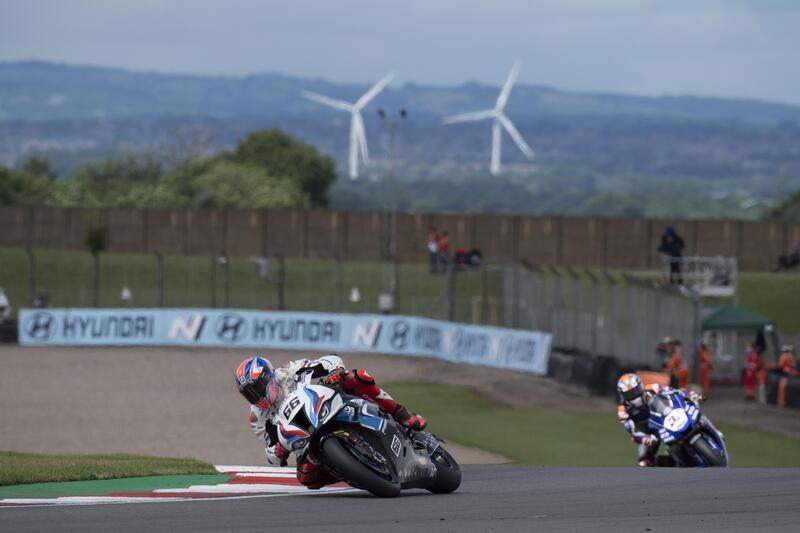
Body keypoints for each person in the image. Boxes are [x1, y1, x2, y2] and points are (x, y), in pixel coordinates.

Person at [235, 354, 427, 490]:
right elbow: (270, 452)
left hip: (324, 403)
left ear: (268, 375)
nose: (256, 395)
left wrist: (335, 371)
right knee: (306, 477)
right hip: (304, 437)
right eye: (249, 394)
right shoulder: (257, 416)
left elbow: (329, 360)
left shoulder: (288, 371)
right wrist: (277, 451)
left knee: (357, 377)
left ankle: (401, 414)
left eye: (257, 387)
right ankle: (353, 472)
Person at [616, 373, 703, 466]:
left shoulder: (652, 388)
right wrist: (644, 438)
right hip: (649, 432)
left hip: (665, 417)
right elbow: (632, 431)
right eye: (629, 394)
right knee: (643, 462)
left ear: (641, 386)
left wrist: (689, 394)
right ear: (623, 395)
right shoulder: (623, 410)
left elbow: (673, 391)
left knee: (693, 414)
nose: (635, 395)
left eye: (636, 391)